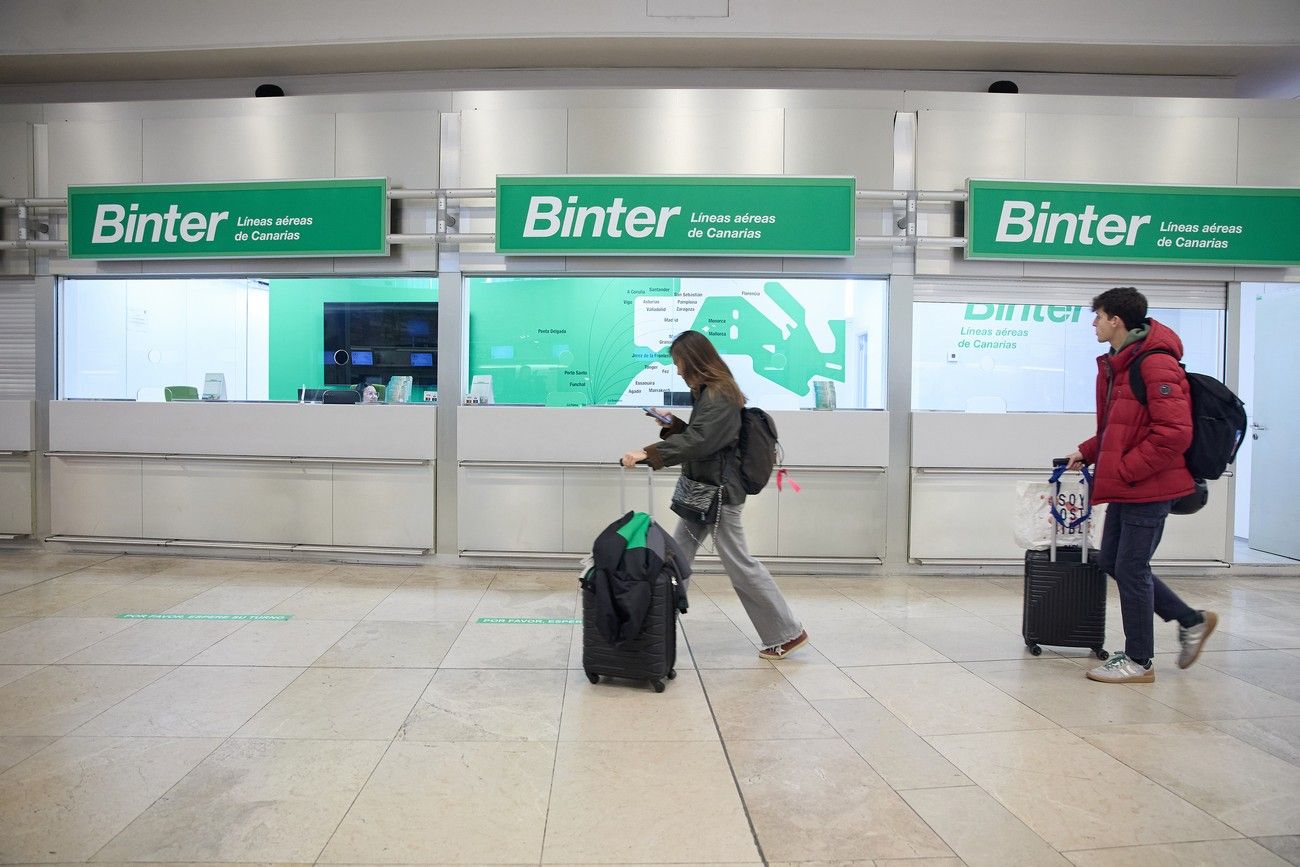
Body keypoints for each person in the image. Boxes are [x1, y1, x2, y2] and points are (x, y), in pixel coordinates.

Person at [621, 330, 808, 660]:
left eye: (679, 363)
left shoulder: (720, 394)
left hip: (718, 495)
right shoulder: (709, 392)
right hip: (702, 491)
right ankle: (657, 626)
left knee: (740, 565)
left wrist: (648, 453)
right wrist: (671, 423)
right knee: (677, 556)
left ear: (693, 360)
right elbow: (702, 437)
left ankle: (787, 632)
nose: (677, 370)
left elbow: (701, 442)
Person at [1065, 287, 1218, 684]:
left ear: (1116, 319)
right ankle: (1191, 620)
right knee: (1113, 561)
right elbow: (1121, 428)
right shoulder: (1123, 361)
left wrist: (1128, 468)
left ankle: (1139, 661)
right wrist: (1089, 451)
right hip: (1130, 484)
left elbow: (1174, 433)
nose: (1094, 324)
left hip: (1147, 485)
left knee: (1131, 567)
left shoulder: (1154, 363)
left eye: (1097, 316)